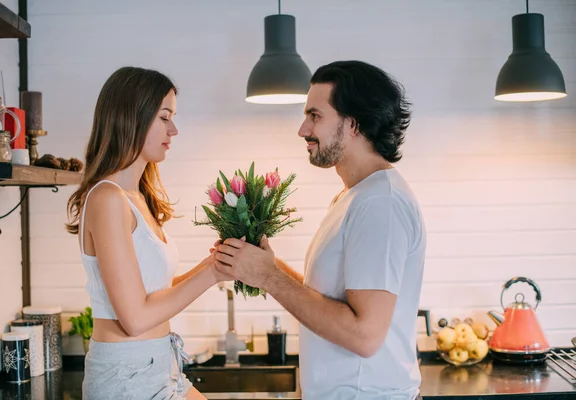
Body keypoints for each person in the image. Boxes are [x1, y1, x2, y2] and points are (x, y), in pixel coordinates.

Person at [214, 60, 427, 400]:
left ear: (353, 123)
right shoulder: (353, 197)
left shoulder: (379, 203)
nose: (303, 130)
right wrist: (266, 267)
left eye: (315, 116)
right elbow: (330, 300)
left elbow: (364, 336)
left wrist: (270, 278)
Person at [66, 66, 226, 400]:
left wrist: (217, 262)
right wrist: (212, 274)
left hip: (159, 366)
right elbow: (135, 318)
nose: (174, 129)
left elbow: (155, 293)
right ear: (132, 118)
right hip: (126, 376)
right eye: (164, 117)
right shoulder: (107, 198)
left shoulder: (137, 198)